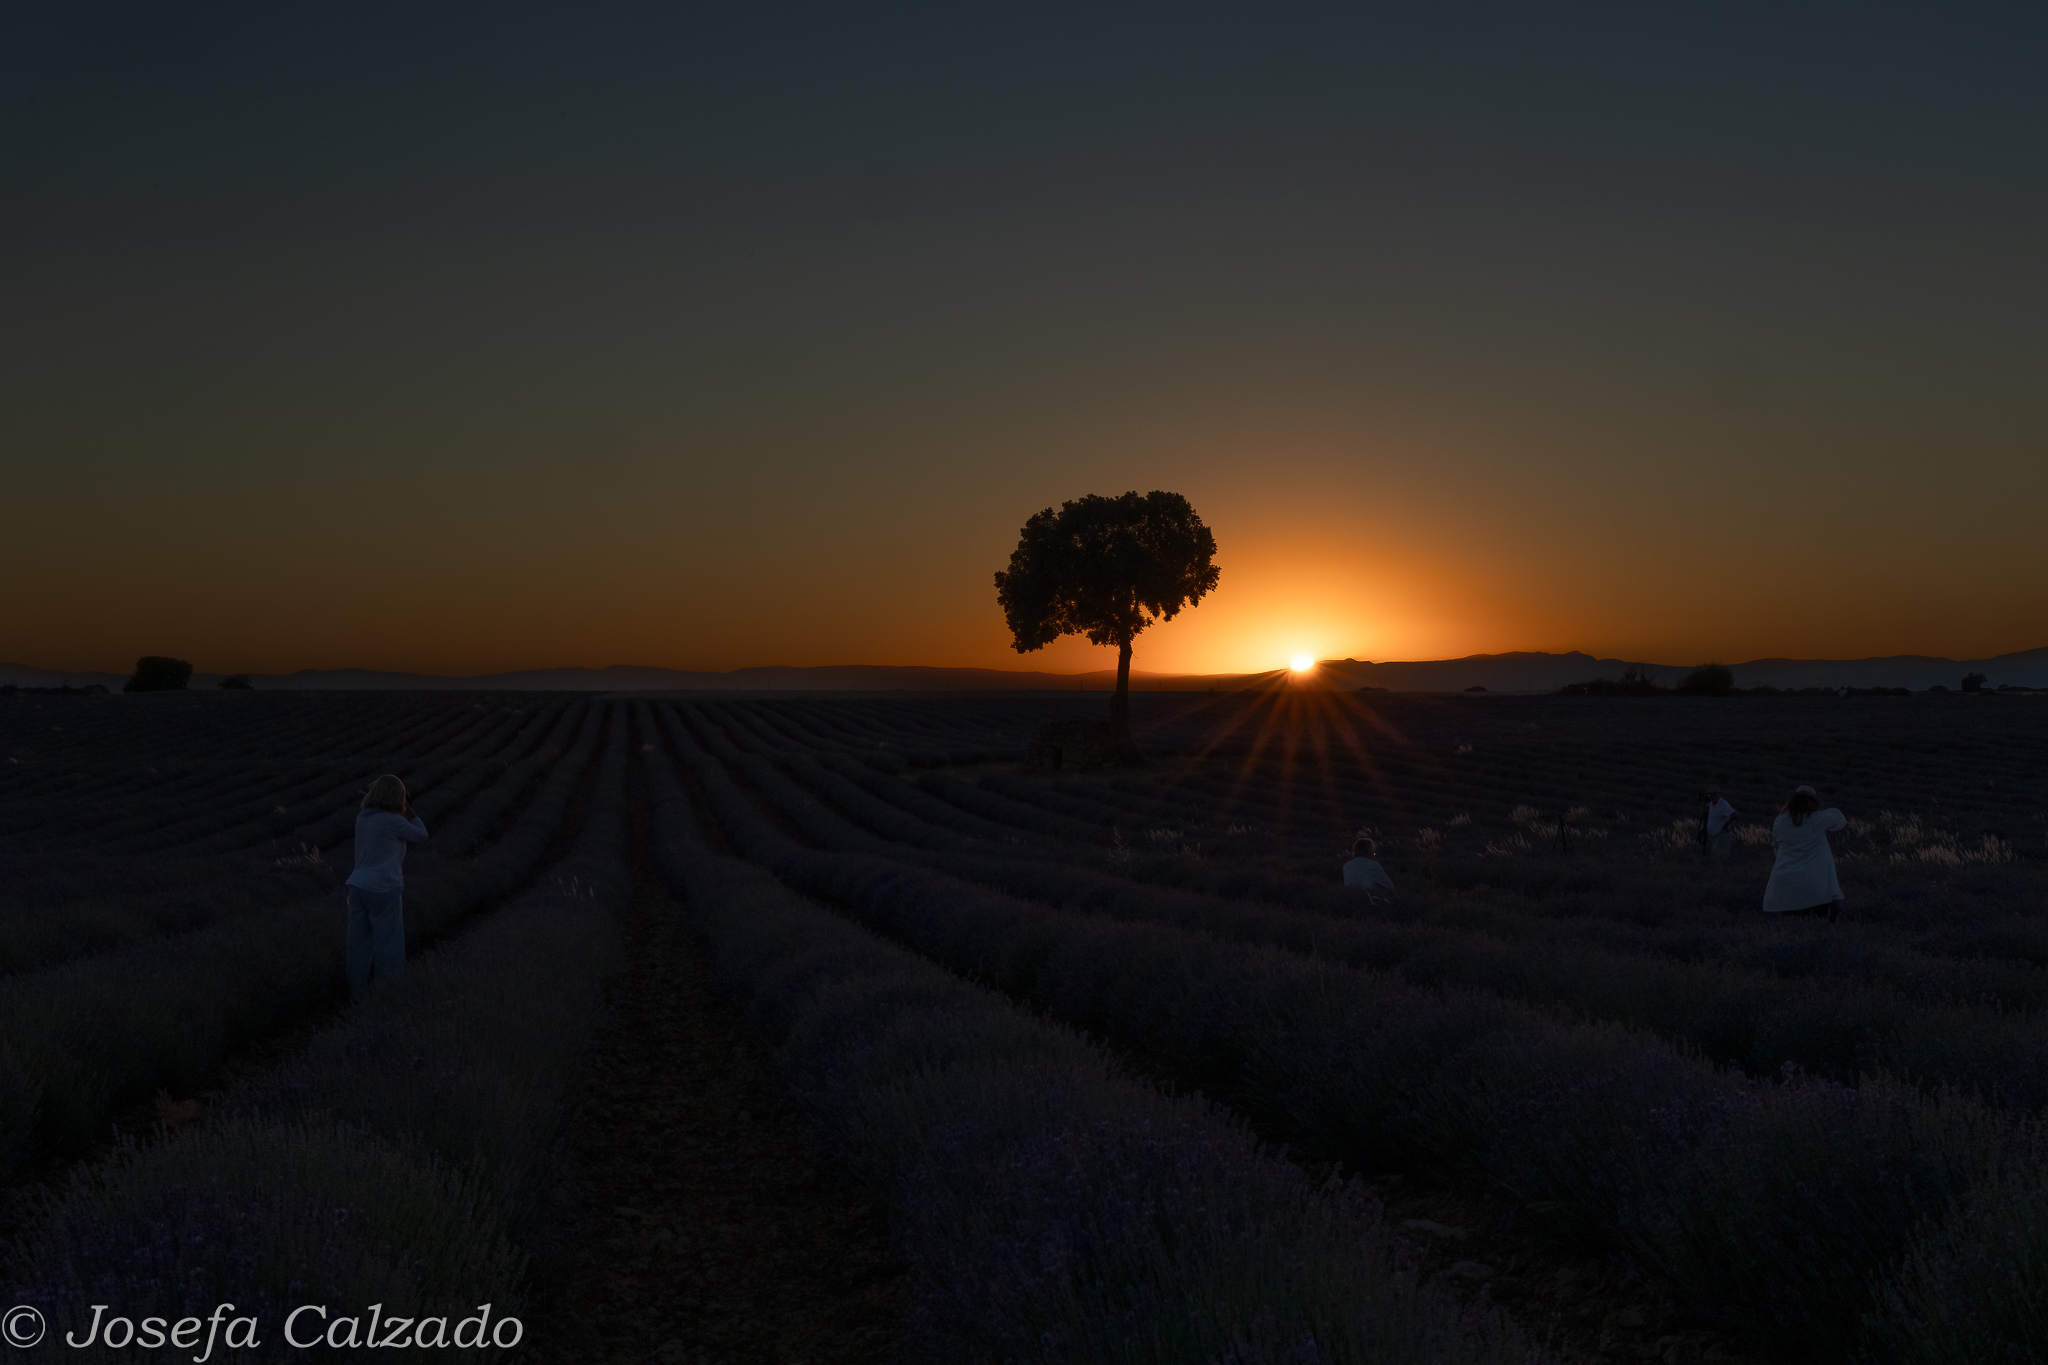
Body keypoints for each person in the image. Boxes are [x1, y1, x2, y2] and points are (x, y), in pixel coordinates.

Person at [345, 774, 428, 998]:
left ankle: (356, 997)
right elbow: (422, 836)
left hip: (357, 885)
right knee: (389, 944)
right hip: (384, 887)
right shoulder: (394, 821)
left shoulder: (363, 817)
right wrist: (410, 811)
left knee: (357, 945)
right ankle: (386, 997)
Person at [1762, 785, 1845, 919]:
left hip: (1785, 881)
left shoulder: (1780, 820)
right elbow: (1839, 819)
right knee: (1822, 921)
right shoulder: (1819, 818)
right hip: (1816, 883)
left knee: (1791, 924)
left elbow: (1776, 846)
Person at [1342, 837, 1395, 904]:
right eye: (1373, 852)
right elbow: (1390, 887)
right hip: (1368, 900)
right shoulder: (1374, 865)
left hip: (1349, 900)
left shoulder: (1347, 865)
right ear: (1369, 852)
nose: (1374, 854)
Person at [1702, 787, 1738, 859]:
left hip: (1721, 836)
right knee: (1714, 859)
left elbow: (1735, 815)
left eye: (1714, 794)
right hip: (1713, 837)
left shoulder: (1723, 804)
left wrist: (1726, 825)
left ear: (1719, 795)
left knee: (1720, 859)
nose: (1712, 796)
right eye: (1711, 795)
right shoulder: (1711, 804)